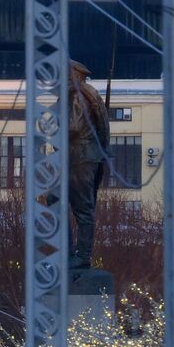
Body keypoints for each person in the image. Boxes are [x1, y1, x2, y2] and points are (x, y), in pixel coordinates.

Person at [67, 60, 110, 270]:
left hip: (81, 156)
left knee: (83, 208)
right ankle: (69, 251)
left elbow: (73, 127)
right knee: (56, 198)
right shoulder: (89, 93)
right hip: (85, 156)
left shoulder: (76, 94)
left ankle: (82, 255)